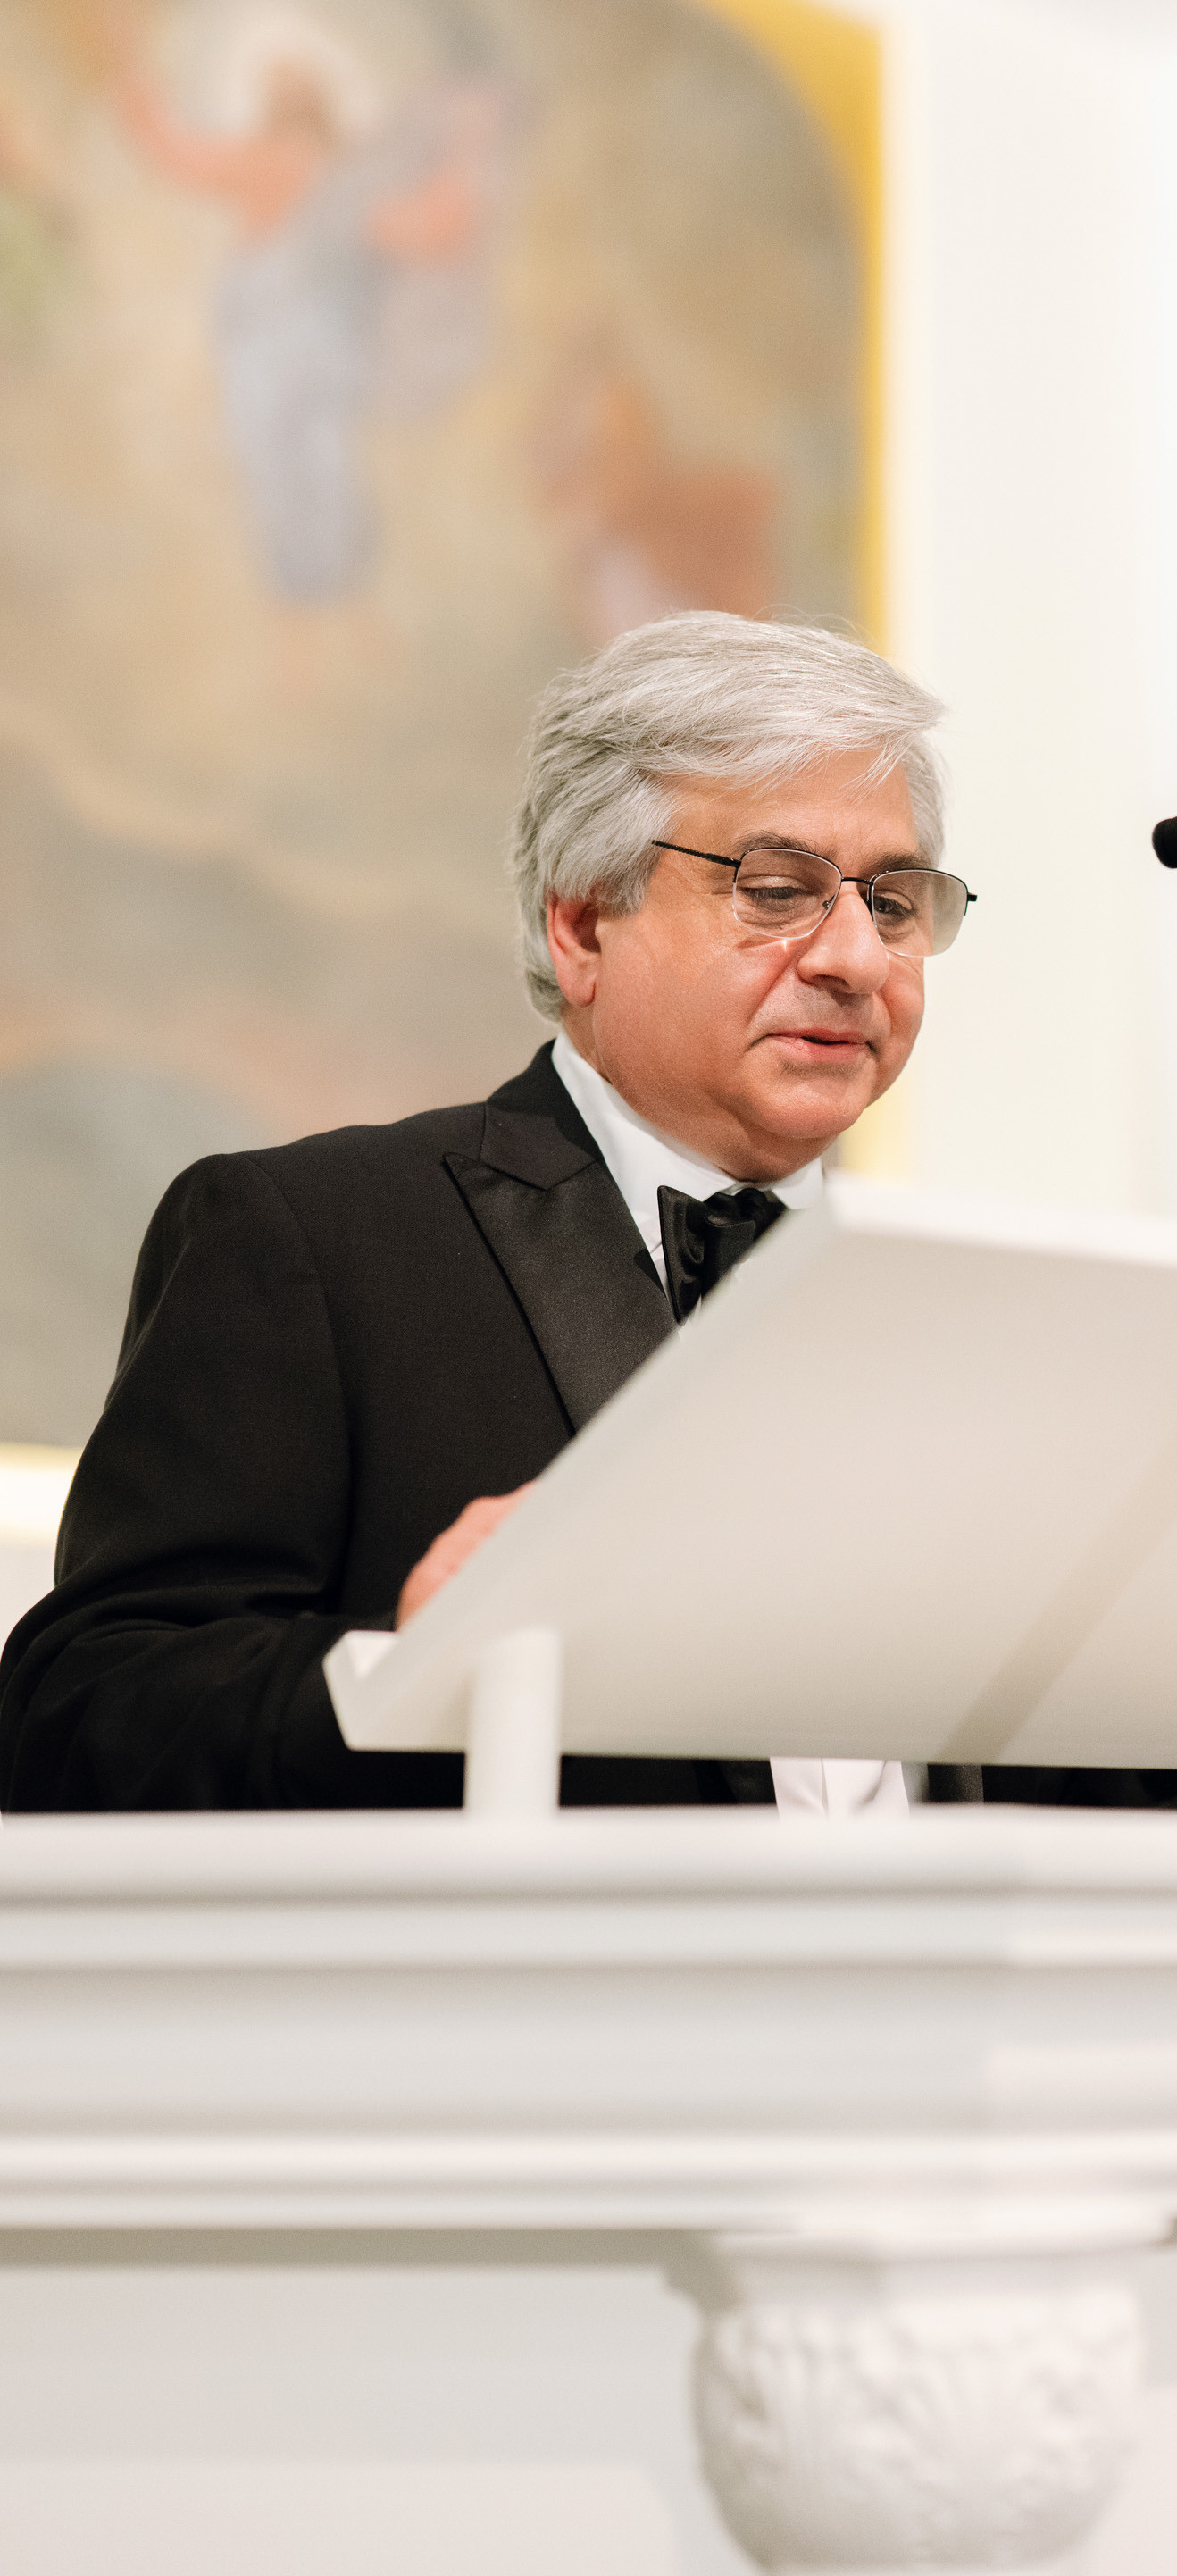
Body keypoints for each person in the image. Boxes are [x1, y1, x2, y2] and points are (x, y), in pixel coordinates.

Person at [0, 613, 989, 1811]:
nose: (854, 957)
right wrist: (410, 1669)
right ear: (582, 925)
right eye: (777, 891)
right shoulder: (310, 1239)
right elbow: (78, 1712)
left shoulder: (964, 1307)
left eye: (893, 903)